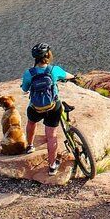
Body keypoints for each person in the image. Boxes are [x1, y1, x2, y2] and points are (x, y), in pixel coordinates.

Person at [21, 43, 75, 175]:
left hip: (35, 107)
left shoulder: (29, 73)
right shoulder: (53, 70)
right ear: (48, 55)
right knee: (51, 135)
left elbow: (24, 89)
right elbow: (68, 76)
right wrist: (73, 77)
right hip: (52, 106)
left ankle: (30, 146)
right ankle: (52, 166)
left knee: (31, 122)